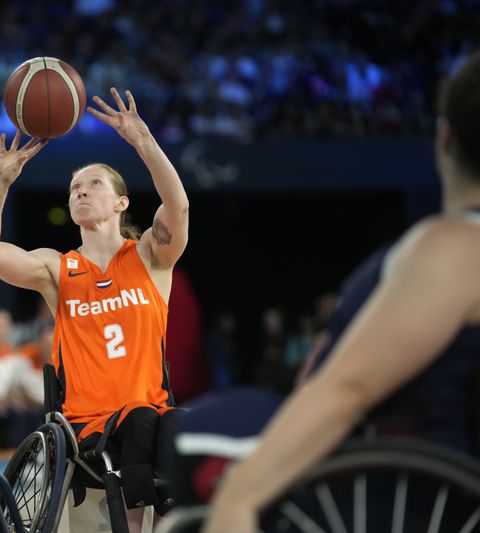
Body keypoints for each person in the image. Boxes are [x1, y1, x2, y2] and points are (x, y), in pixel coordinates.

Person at [205, 52, 480, 532]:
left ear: (443, 138)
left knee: (186, 442)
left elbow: (346, 389)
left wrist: (239, 498)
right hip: (400, 478)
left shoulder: (456, 246)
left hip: (391, 495)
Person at [0, 87, 189, 530]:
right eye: (74, 188)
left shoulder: (150, 256)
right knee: (144, 421)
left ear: (121, 202)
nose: (81, 191)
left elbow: (178, 205)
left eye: (93, 184)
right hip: (87, 422)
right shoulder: (57, 267)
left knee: (175, 423)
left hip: (151, 412)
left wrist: (143, 141)